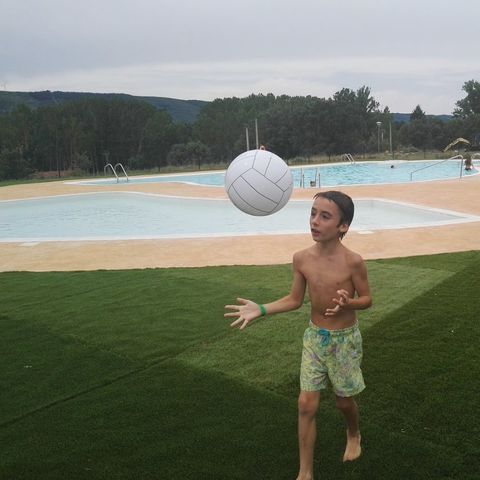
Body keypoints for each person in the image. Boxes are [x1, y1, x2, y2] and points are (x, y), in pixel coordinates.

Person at [225, 191, 372, 480]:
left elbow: (367, 299)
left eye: (325, 216)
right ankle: (305, 473)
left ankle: (353, 432)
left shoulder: (353, 261)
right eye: (313, 213)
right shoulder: (301, 258)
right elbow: (294, 300)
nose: (315, 221)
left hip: (344, 341)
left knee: (343, 401)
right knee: (305, 404)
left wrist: (350, 303)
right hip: (315, 339)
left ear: (343, 226)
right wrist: (261, 309)